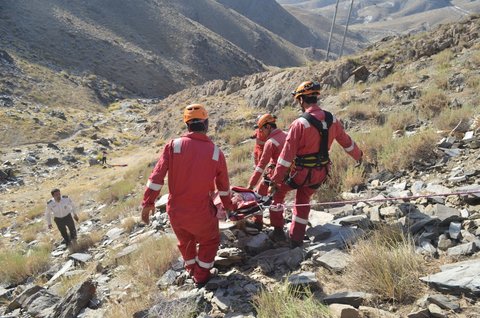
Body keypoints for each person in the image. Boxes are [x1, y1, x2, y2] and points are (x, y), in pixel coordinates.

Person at [141, 104, 233, 287]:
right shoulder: (216, 152)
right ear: (206, 124)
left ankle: (191, 269)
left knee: (186, 241)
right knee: (210, 240)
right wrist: (229, 207)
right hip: (202, 212)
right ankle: (201, 275)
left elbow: (156, 176)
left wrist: (148, 202)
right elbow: (223, 188)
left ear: (187, 125)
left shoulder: (173, 146)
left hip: (176, 212)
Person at [269, 81, 363, 247]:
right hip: (320, 173)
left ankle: (277, 232)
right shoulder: (332, 119)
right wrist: (359, 156)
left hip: (300, 173)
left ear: (301, 100)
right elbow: (346, 142)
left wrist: (275, 180)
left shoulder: (299, 124)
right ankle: (296, 239)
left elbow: (286, 157)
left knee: (278, 196)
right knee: (303, 199)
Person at [246, 114, 287, 230]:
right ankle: (278, 229)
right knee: (277, 200)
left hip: (275, 177)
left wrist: (251, 184)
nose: (261, 132)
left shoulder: (271, 142)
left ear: (268, 127)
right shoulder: (287, 135)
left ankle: (263, 225)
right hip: (291, 175)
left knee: (259, 196)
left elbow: (261, 165)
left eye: (262, 129)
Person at [250, 125, 268, 196]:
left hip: (261, 149)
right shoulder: (258, 130)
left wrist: (262, 142)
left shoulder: (264, 131)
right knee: (256, 158)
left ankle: (258, 174)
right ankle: (256, 168)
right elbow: (256, 137)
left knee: (260, 163)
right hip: (258, 149)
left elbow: (261, 141)